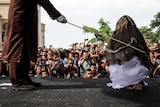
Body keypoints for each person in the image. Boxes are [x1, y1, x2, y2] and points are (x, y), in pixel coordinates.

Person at [1, 0, 67, 90]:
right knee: (17, 49)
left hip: (25, 18)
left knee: (25, 49)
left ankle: (24, 79)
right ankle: (17, 81)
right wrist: (56, 15)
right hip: (19, 19)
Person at [106, 15, 152, 90]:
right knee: (135, 62)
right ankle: (134, 82)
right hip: (127, 73)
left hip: (118, 77)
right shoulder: (136, 37)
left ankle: (131, 82)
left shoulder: (114, 39)